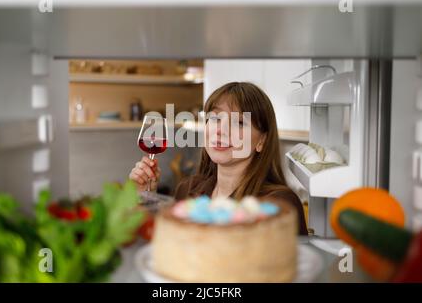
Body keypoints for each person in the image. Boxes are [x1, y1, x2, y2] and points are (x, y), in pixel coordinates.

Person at [129, 82, 308, 235]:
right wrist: (145, 195)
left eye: (238, 122)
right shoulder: (187, 189)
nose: (220, 130)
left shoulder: (279, 203)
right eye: (214, 119)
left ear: (262, 140)